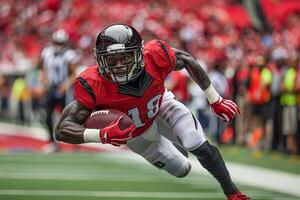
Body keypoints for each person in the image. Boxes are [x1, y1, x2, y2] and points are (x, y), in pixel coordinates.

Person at [55, 24, 250, 200]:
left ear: (139, 54)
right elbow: (62, 129)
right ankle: (176, 145)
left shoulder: (155, 56)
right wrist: (101, 135)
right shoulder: (92, 83)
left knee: (195, 141)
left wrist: (215, 99)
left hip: (161, 107)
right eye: (112, 60)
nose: (120, 65)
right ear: (100, 60)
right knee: (182, 169)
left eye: (126, 57)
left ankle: (232, 192)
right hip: (136, 136)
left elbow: (186, 59)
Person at [39, 29, 78, 153]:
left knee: (68, 117)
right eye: (57, 42)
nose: (58, 45)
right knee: (47, 115)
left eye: (61, 43)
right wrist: (44, 80)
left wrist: (66, 84)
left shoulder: (69, 54)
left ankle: (75, 141)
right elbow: (43, 69)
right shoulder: (47, 53)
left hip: (64, 89)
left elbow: (73, 73)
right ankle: (52, 142)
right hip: (51, 88)